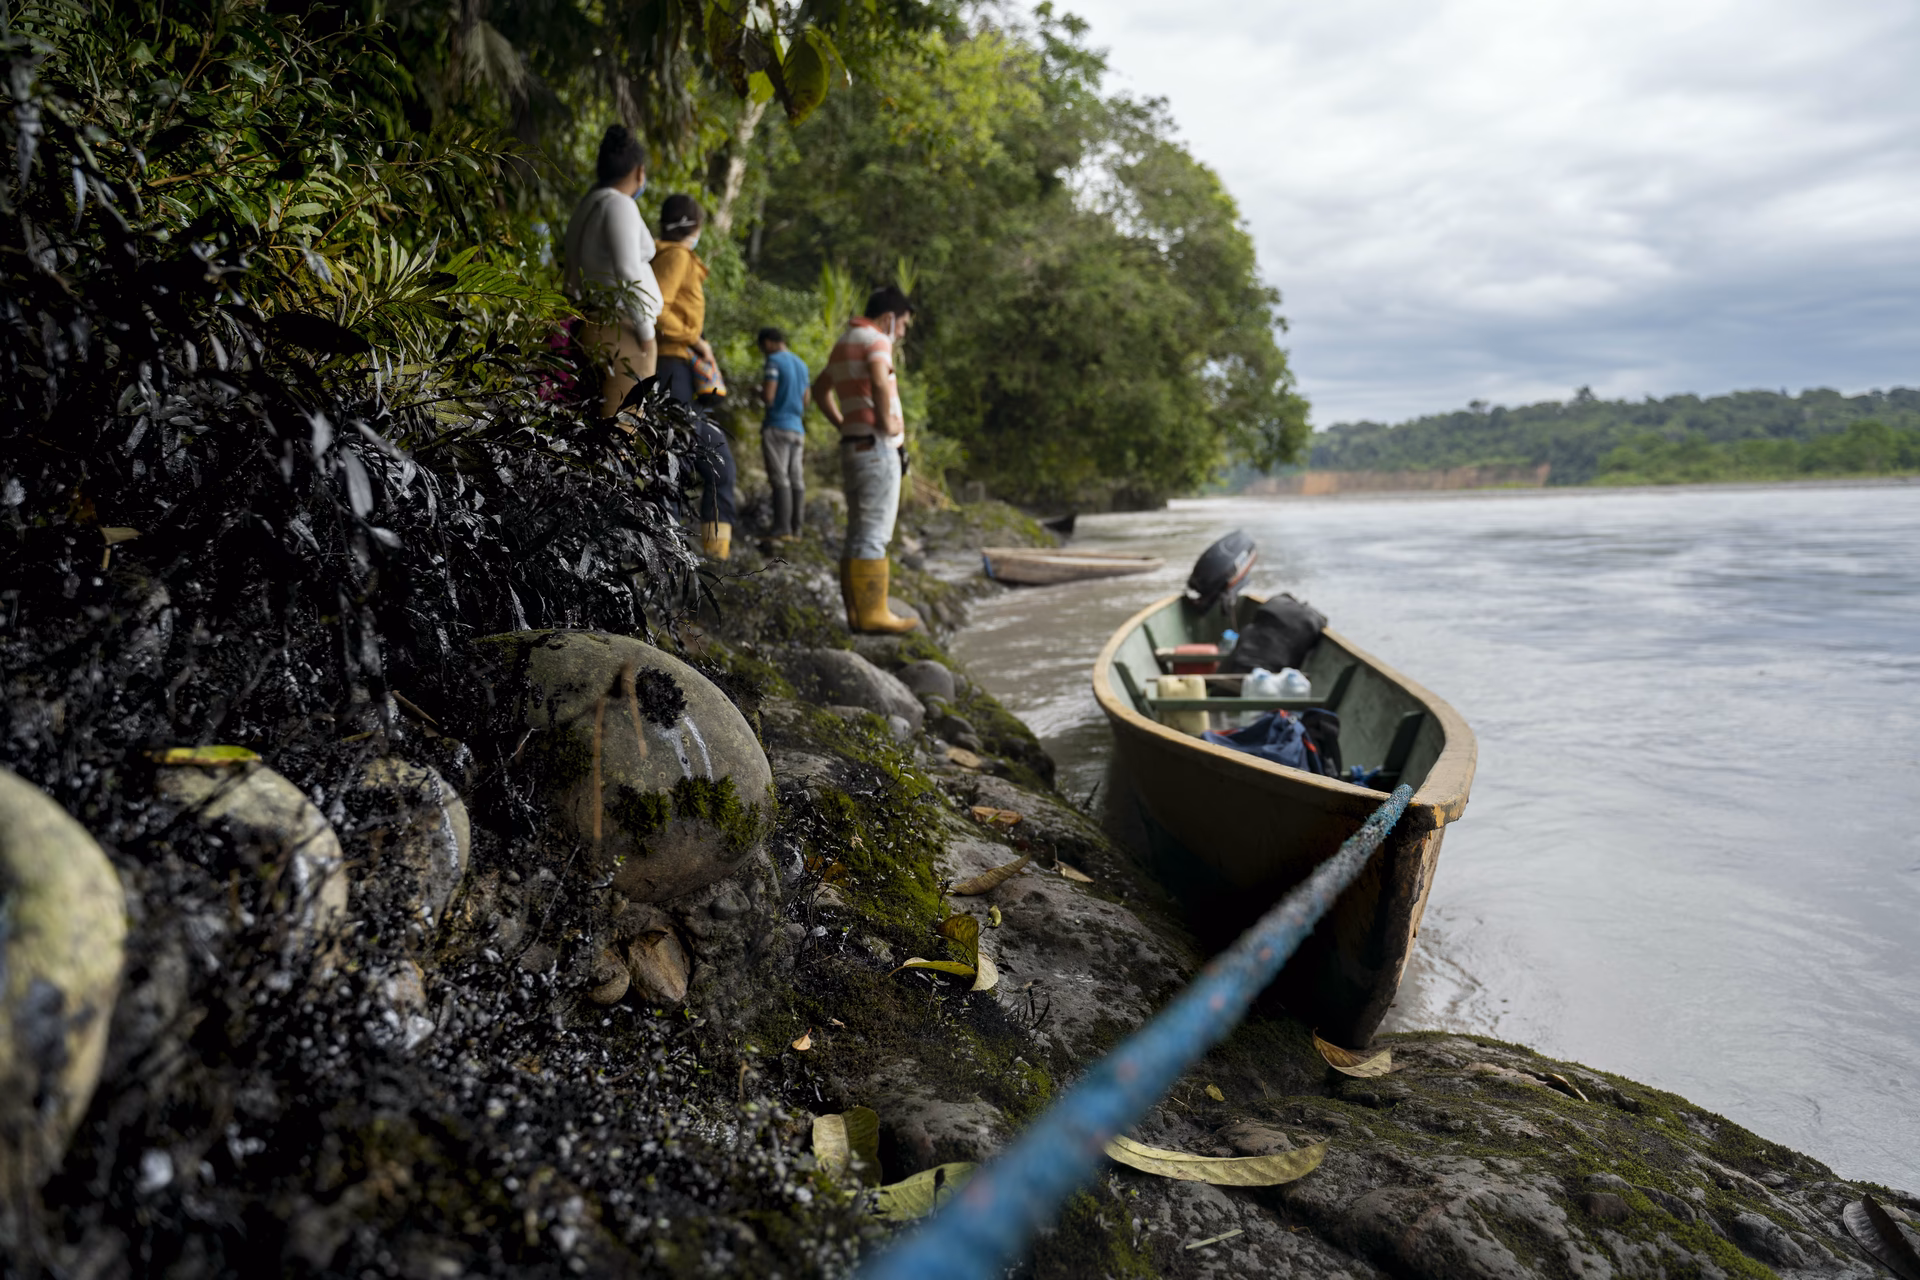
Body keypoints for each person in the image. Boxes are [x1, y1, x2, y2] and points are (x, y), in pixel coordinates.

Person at [811, 286, 919, 633]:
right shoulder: (876, 340)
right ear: (888, 318)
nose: (901, 332)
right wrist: (888, 424)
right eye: (902, 324)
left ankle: (857, 616)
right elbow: (878, 379)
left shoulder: (845, 341)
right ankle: (873, 614)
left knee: (857, 532)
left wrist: (844, 423)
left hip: (853, 447)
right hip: (877, 447)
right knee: (874, 534)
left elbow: (819, 389)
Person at [652, 194, 738, 560]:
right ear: (694, 227)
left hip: (675, 368)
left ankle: (688, 553)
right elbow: (657, 308)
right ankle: (692, 555)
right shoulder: (676, 256)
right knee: (704, 458)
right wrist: (694, 340)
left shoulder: (666, 255)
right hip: (673, 367)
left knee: (679, 459)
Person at [562, 125, 662, 419]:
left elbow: (571, 269)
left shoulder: (588, 205)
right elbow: (628, 270)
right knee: (621, 428)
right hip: (622, 330)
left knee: (593, 423)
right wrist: (646, 335)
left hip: (591, 322)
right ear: (638, 171)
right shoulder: (620, 205)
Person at [756, 327, 809, 541]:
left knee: (780, 478)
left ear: (768, 342)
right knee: (796, 478)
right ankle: (797, 530)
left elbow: (769, 395)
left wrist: (759, 392)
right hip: (797, 428)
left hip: (777, 426)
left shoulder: (774, 362)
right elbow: (806, 400)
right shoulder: (802, 365)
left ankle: (781, 529)